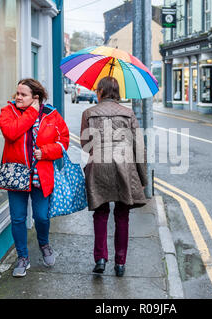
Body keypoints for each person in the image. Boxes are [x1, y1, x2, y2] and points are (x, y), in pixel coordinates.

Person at [0, 78, 69, 277]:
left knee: (41, 216)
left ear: (35, 97)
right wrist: (31, 111)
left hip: (41, 175)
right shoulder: (7, 112)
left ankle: (44, 244)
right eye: (17, 93)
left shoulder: (51, 115)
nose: (18, 97)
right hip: (16, 175)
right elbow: (11, 133)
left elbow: (63, 141)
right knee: (18, 218)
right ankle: (22, 257)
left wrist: (45, 152)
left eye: (23, 94)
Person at [80, 76, 148, 277]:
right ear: (117, 92)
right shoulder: (128, 113)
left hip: (98, 165)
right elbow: (139, 148)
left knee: (100, 213)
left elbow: (85, 145)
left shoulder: (89, 113)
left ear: (100, 91)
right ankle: (120, 263)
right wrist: (143, 180)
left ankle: (100, 258)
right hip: (124, 167)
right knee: (122, 215)